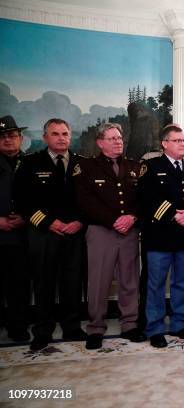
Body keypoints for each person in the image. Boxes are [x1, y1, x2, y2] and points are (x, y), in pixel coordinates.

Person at [14, 118, 86, 351]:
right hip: (43, 233)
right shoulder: (29, 163)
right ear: (45, 137)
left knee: (72, 282)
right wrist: (47, 222)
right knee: (44, 283)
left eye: (65, 133)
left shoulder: (82, 164)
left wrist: (80, 221)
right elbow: (22, 201)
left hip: (74, 232)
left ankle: (72, 326)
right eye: (55, 134)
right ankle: (42, 330)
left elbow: (90, 200)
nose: (61, 138)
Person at [74, 123, 146, 349]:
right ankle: (95, 327)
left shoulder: (136, 167)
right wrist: (113, 220)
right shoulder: (86, 167)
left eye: (120, 138)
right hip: (101, 231)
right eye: (112, 138)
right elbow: (84, 200)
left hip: (129, 230)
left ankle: (129, 324)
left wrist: (132, 217)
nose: (118, 142)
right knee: (98, 281)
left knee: (129, 280)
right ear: (100, 142)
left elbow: (144, 198)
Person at [137, 123, 184, 348]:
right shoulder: (150, 166)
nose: (183, 144)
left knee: (182, 283)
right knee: (156, 284)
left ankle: (179, 324)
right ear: (164, 144)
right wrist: (175, 215)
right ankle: (155, 328)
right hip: (160, 235)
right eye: (177, 141)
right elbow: (146, 199)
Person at [0, 115, 30, 342]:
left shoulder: (30, 163)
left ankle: (17, 327)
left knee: (19, 284)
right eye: (2, 136)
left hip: (22, 234)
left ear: (20, 138)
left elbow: (41, 199)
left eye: (11, 135)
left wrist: (25, 217)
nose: (8, 140)